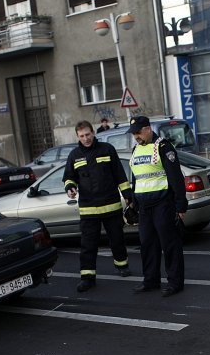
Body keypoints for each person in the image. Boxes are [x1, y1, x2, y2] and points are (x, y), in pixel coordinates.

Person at [62, 120, 133, 292]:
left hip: (111, 205)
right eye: (81, 136)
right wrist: (70, 188)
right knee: (88, 245)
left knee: (117, 239)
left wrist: (128, 197)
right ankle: (87, 278)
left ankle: (122, 266)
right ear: (77, 136)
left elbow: (119, 175)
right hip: (88, 209)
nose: (85, 138)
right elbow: (69, 177)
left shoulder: (107, 149)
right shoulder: (74, 155)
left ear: (93, 132)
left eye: (87, 134)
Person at [127, 116, 187, 297]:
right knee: (147, 245)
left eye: (138, 132)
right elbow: (136, 178)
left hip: (163, 204)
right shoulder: (136, 149)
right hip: (144, 207)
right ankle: (150, 280)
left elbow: (176, 178)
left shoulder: (163, 147)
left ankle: (175, 283)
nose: (136, 136)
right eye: (133, 133)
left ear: (148, 129)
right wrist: (133, 201)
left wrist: (180, 206)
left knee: (170, 245)